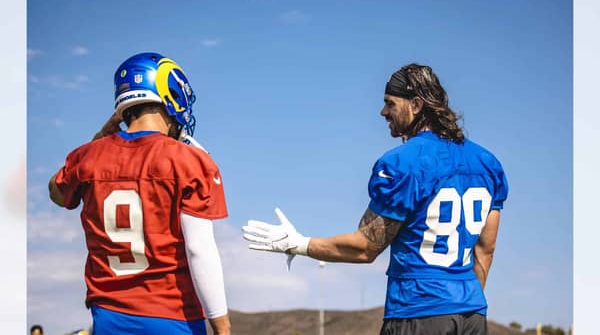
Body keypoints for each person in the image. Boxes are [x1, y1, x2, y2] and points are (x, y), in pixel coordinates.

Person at [243, 63, 508, 335]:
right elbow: (485, 250)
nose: (383, 112)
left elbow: (366, 247)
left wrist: (298, 244)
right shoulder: (488, 163)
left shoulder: (402, 162)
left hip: (418, 310)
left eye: (390, 104)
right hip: (471, 315)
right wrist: (460, 301)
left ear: (416, 105)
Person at [48, 52, 231, 335]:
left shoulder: (87, 157)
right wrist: (222, 327)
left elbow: (57, 194)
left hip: (109, 316)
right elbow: (199, 250)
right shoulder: (188, 160)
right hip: (173, 315)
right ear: (170, 93)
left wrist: (100, 136)